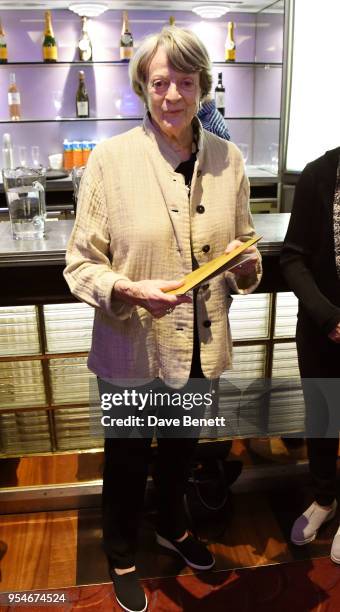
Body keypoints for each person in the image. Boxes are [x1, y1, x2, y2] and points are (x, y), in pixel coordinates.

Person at [64, 26, 262, 612]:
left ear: (202, 85)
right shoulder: (111, 159)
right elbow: (79, 264)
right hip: (134, 345)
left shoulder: (230, 158)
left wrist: (247, 266)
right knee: (127, 456)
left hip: (201, 345)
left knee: (180, 450)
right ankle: (121, 549)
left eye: (184, 80)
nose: (172, 94)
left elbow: (242, 246)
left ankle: (172, 526)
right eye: (159, 82)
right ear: (142, 88)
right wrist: (125, 286)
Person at [280, 147, 340, 562]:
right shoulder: (319, 174)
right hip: (322, 328)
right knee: (322, 415)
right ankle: (324, 498)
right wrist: (328, 317)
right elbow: (293, 256)